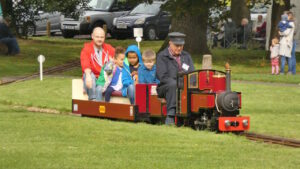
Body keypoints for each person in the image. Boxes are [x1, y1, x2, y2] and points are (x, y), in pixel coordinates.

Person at [156, 32, 195, 125]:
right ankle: (170, 116)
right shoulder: (162, 56)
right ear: (170, 43)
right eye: (176, 45)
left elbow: (192, 73)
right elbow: (162, 77)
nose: (179, 48)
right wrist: (179, 81)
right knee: (173, 85)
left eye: (181, 46)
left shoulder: (187, 56)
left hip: (184, 85)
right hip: (165, 87)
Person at [80, 27, 115, 101]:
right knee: (89, 75)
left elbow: (119, 58)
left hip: (104, 77)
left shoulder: (109, 48)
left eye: (102, 37)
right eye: (97, 37)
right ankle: (93, 99)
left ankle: (96, 105)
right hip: (92, 76)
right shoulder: (86, 49)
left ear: (104, 37)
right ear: (92, 36)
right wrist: (88, 76)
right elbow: (85, 64)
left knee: (99, 87)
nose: (99, 39)